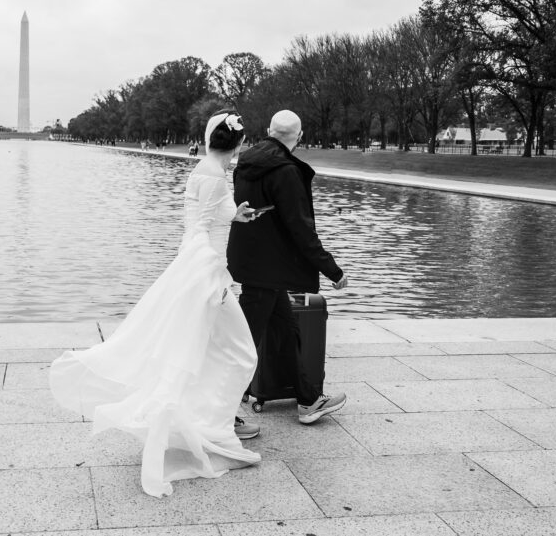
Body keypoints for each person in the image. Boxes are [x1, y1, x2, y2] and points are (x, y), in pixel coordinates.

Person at [49, 110, 265, 497]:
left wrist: (239, 215)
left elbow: (210, 216)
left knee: (204, 355)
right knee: (239, 354)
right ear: (236, 143)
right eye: (242, 141)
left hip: (200, 270)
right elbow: (199, 229)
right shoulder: (215, 174)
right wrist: (214, 277)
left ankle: (204, 427)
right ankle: (212, 432)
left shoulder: (206, 168)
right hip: (207, 273)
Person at [227, 109, 349, 425]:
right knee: (243, 341)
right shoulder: (286, 171)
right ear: (300, 136)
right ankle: (220, 410)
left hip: (254, 264)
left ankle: (308, 400)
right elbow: (301, 229)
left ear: (269, 129)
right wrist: (332, 269)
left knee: (286, 332)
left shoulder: (246, 161)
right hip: (267, 269)